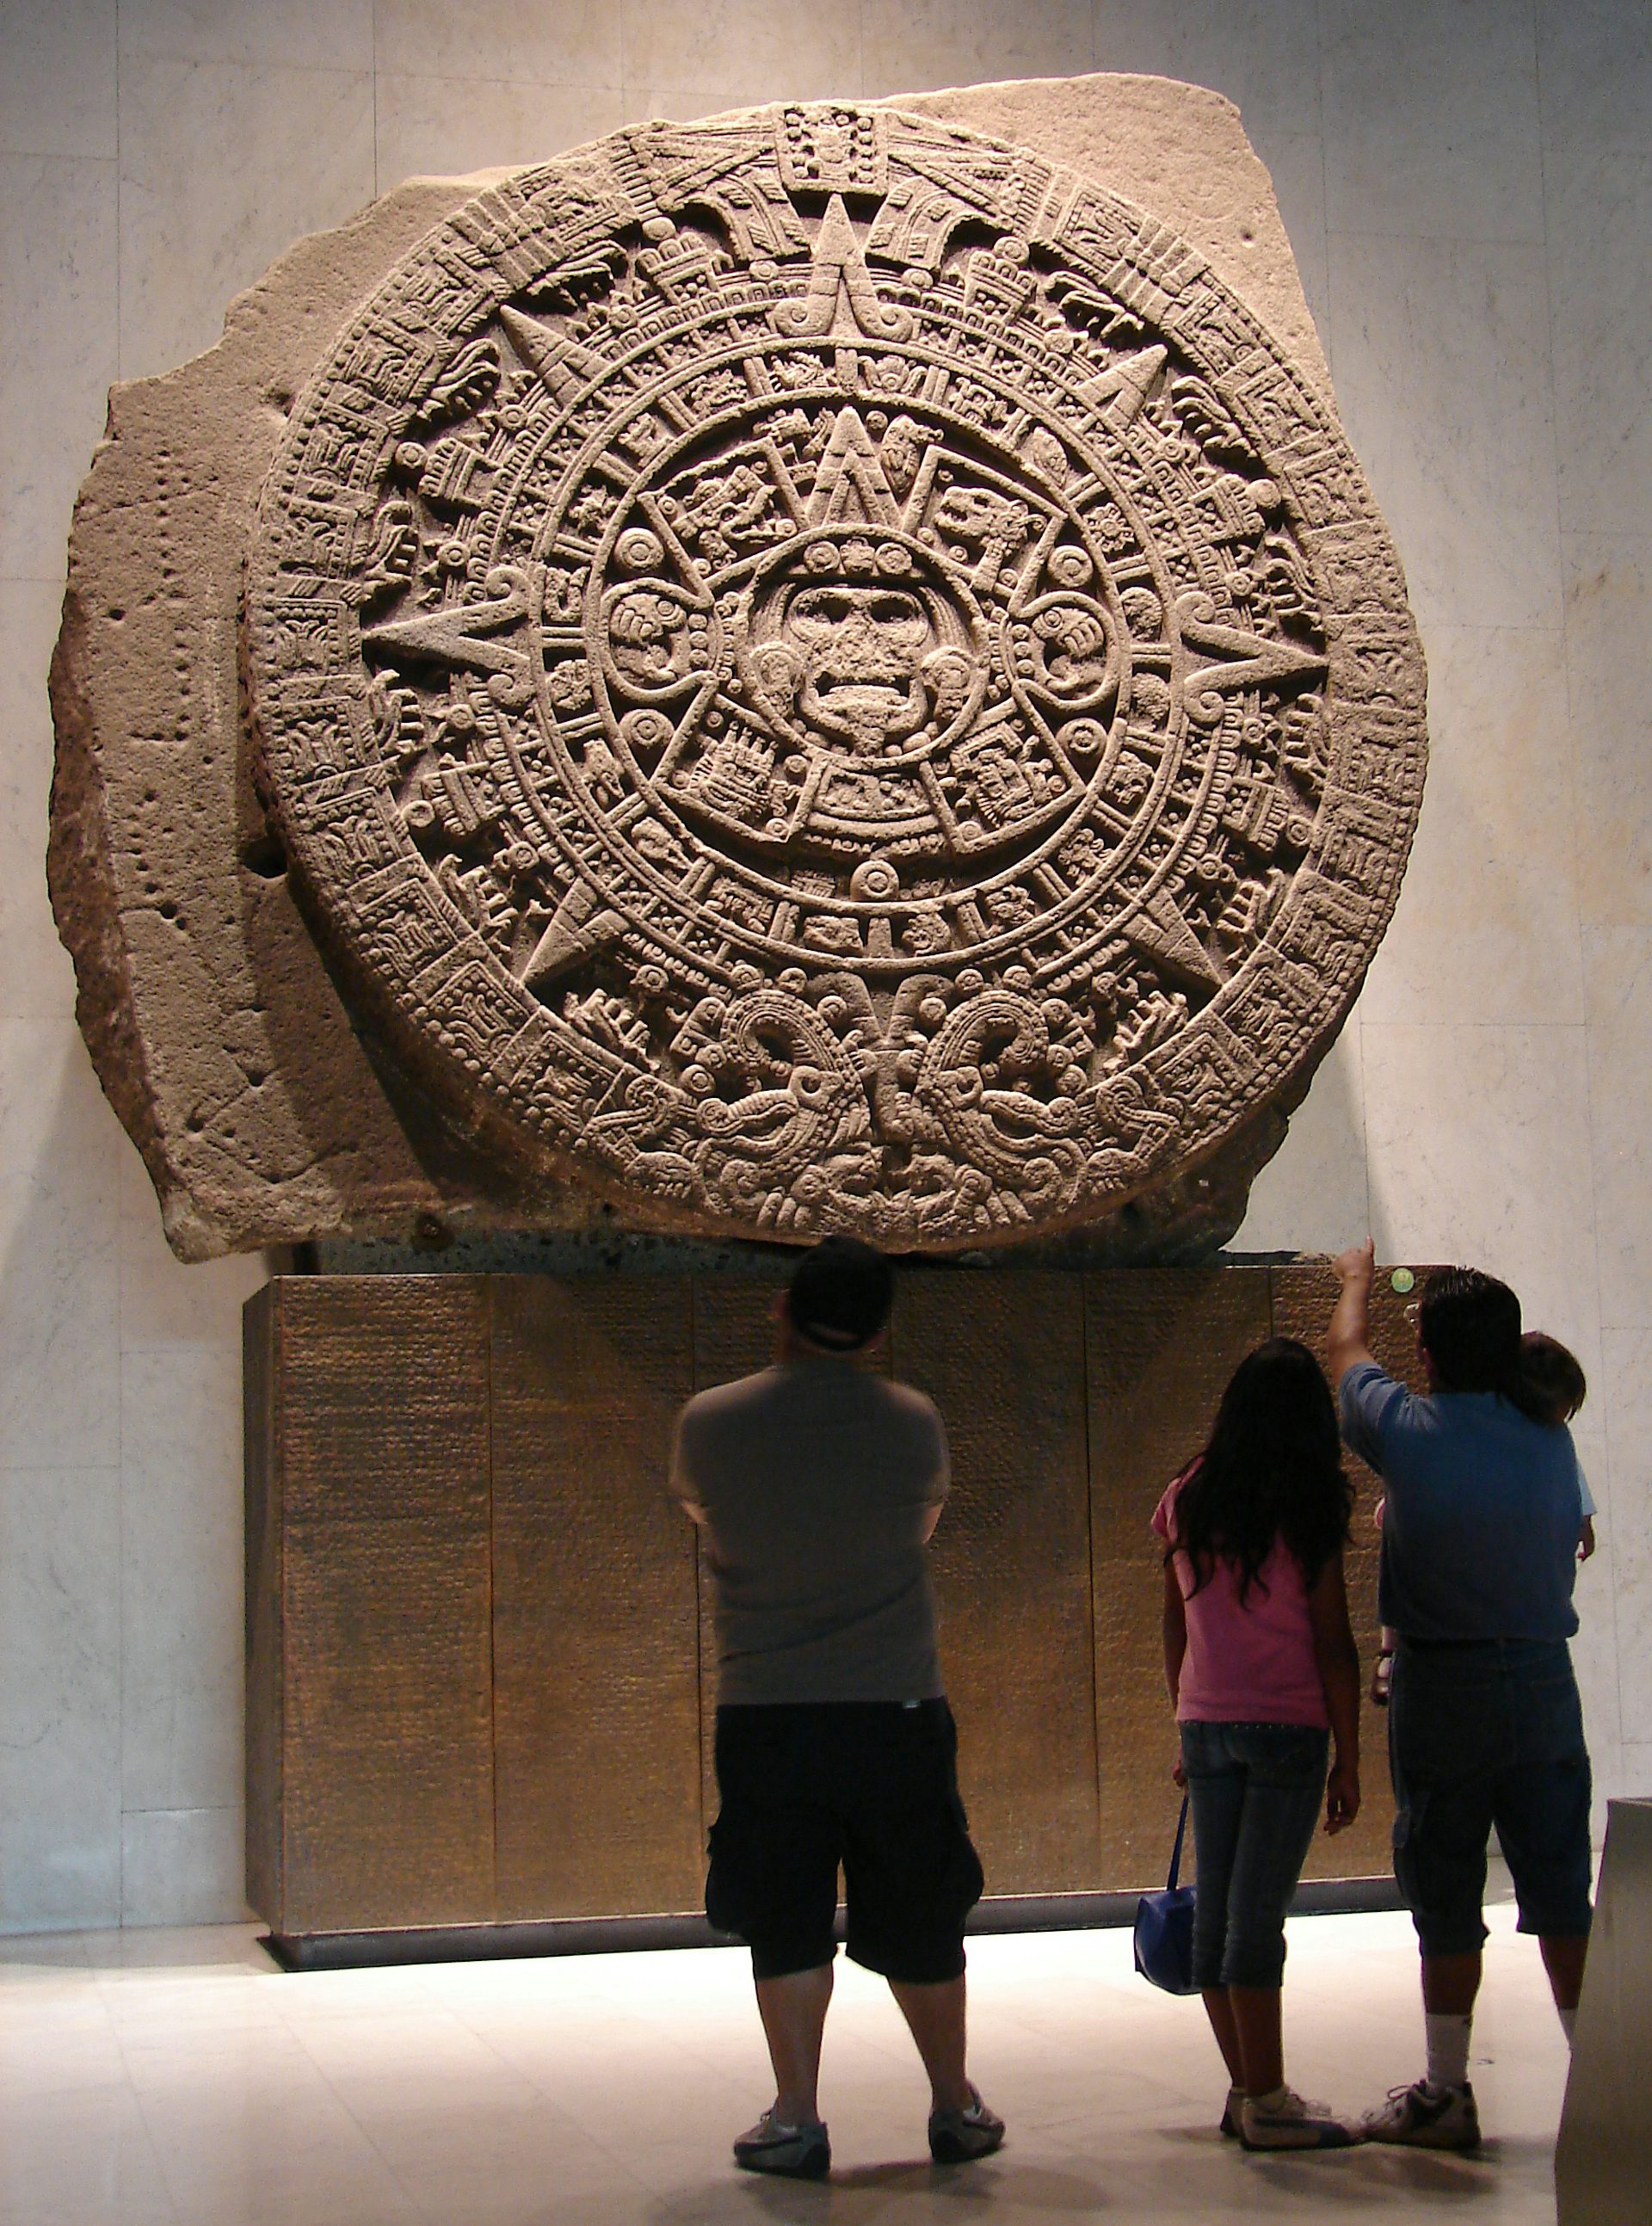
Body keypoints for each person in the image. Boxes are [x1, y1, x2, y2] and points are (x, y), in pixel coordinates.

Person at [669, 1236, 1004, 2181]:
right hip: (896, 1703)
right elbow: (921, 1523)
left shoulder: (710, 1422)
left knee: (786, 1916)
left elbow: (704, 1513)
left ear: (780, 1308)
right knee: (923, 1912)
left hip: (767, 1708)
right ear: (879, 1328)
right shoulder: (913, 1422)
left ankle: (797, 2113)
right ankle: (954, 2103)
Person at [1329, 1242, 1593, 2151]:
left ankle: (1446, 2091)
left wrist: (1357, 1282)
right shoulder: (1551, 1440)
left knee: (1444, 1885)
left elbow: (1345, 1355)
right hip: (1544, 1683)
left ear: (1431, 1357)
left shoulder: (1410, 1431)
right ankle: (1606, 2090)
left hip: (1444, 1684)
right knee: (1563, 1889)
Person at [1154, 1337, 1365, 2152]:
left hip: (1207, 1723)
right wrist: (1349, 1755)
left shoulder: (1187, 1495)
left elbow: (1175, 1615)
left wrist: (1184, 1711)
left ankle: (1246, 2089)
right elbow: (1334, 1643)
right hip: (1287, 1728)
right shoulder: (1307, 1506)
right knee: (1255, 1921)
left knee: (1217, 1922)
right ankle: (1268, 2100)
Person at [1369, 1329, 1600, 1707]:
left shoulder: (1547, 1440)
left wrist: (1583, 1518)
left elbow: (1567, 1469)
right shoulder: (1478, 1427)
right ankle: (1391, 1650)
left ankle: (1395, 1649)